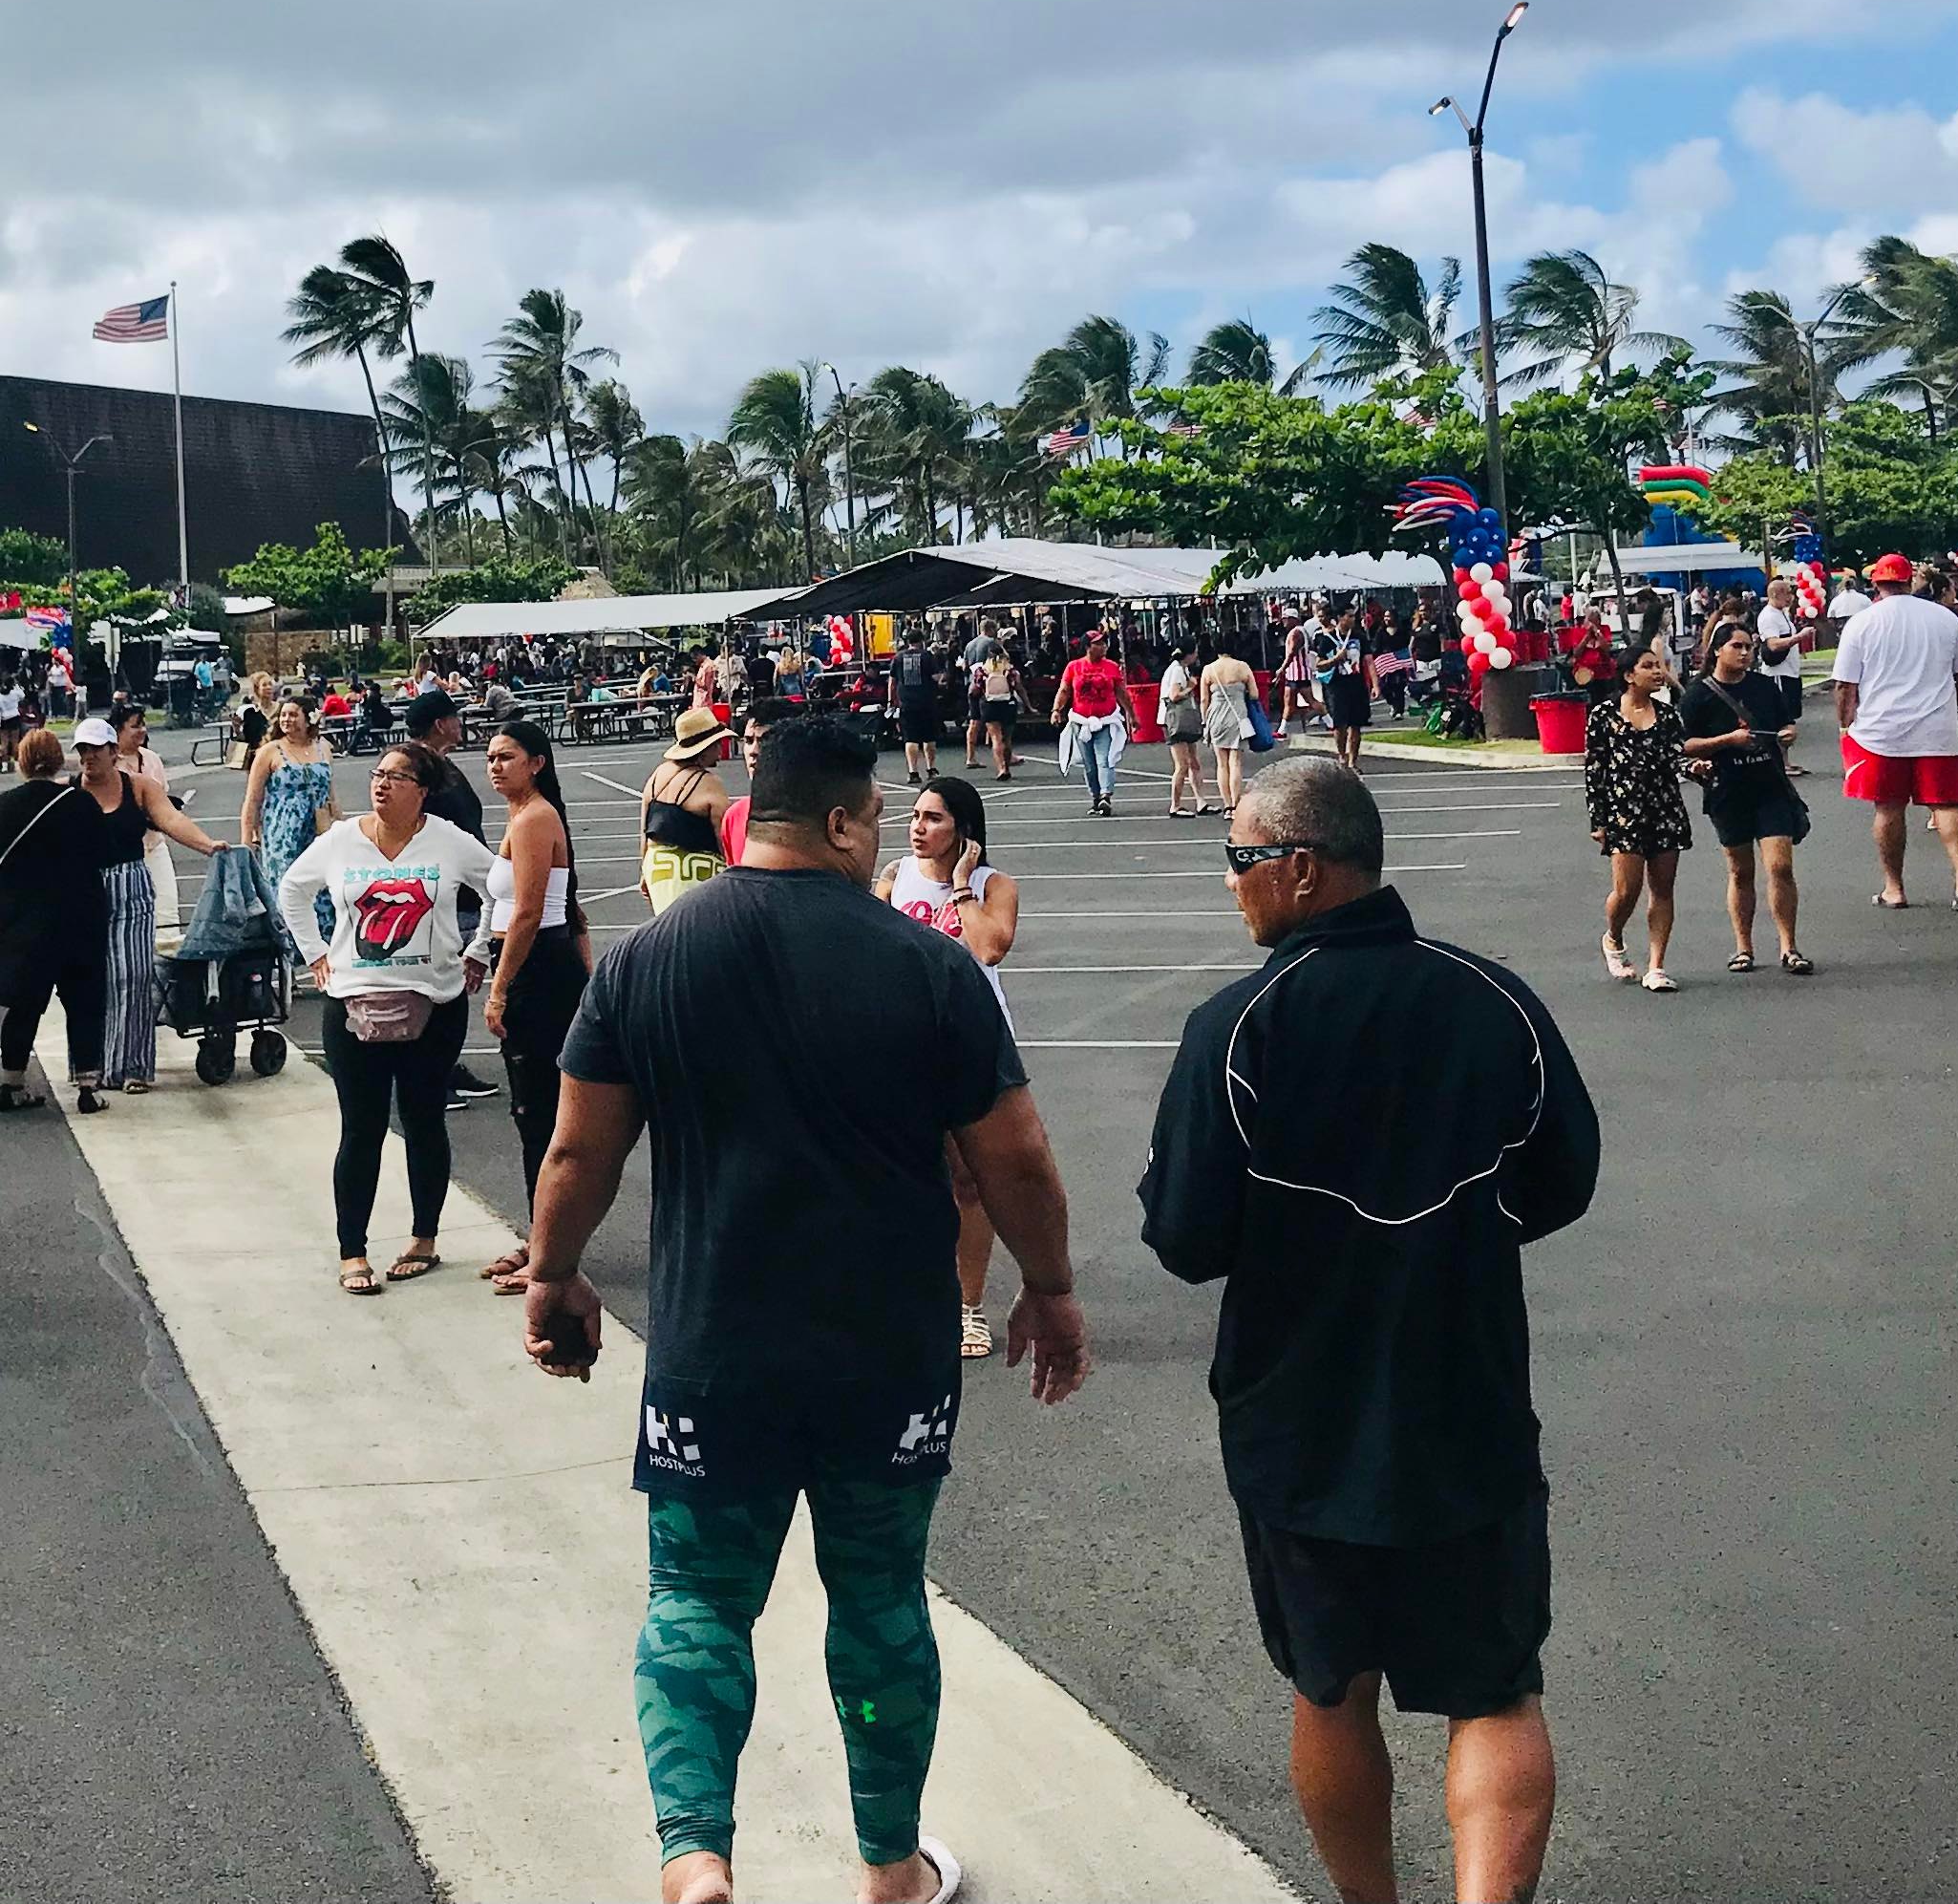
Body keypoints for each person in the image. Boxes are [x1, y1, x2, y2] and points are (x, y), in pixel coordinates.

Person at [520, 715, 1090, 1904]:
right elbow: (1017, 1160)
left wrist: (552, 1276)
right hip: (888, 1353)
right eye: (877, 815)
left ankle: (696, 1856)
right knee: (879, 1599)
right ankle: (889, 1865)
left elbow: (578, 1151)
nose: (882, 833)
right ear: (839, 821)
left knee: (695, 1602)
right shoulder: (928, 965)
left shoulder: (647, 958)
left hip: (712, 1351)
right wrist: (1050, 1288)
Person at [1141, 759, 1599, 1904]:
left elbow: (1187, 1236)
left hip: (1298, 1419)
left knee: (1328, 1683)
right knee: (1495, 1690)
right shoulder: (1492, 998)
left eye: (1240, 862)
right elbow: (1565, 1178)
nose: (1233, 886)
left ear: (1301, 869)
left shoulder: (1236, 1027)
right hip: (1467, 1394)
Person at [279, 743, 496, 1295]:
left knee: (424, 1121)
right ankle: (353, 1250)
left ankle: (424, 1239)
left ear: (422, 791)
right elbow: (292, 889)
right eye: (378, 774)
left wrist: (478, 949)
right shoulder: (342, 840)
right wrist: (314, 953)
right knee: (362, 1129)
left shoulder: (447, 840)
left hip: (436, 1005)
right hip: (354, 1006)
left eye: (398, 777)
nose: (382, 785)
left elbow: (503, 885)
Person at [877, 774, 1021, 1362]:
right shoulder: (892, 879)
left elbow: (989, 948)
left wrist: (961, 889)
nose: (918, 828)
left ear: (964, 829)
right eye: (914, 816)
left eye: (933, 818)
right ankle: (907, 1298)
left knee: (969, 1182)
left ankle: (968, 1307)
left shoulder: (995, 885)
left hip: (972, 1043)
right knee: (902, 1177)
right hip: (901, 1045)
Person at [478, 719, 593, 1295]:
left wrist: (500, 988)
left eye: (507, 756)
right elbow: (567, 907)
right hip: (541, 966)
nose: (495, 765)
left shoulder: (536, 818)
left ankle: (549, 1253)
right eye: (490, 757)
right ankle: (539, 1238)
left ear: (537, 762)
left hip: (537, 972)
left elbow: (528, 913)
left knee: (539, 1115)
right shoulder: (523, 816)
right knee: (533, 1115)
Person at [1831, 550, 1958, 913]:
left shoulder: (1862, 623)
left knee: (1888, 809)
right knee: (1948, 805)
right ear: (1910, 582)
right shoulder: (1945, 619)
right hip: (1938, 728)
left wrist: (1845, 723)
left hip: (1881, 732)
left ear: (1877, 584)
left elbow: (1844, 685)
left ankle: (1894, 888)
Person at [1676, 627, 1817, 976]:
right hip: (1727, 791)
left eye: (1748, 647)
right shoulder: (1698, 694)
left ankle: (1789, 947)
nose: (1744, 653)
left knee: (1780, 867)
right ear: (1717, 651)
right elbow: (1684, 743)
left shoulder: (1764, 686)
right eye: (1736, 646)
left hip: (1770, 787)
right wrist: (1727, 740)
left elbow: (1787, 724)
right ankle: (1744, 947)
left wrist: (1788, 734)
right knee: (1741, 872)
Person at [0, 730, 109, 1115]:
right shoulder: (80, 804)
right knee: (84, 1004)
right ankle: (88, 1087)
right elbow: (102, 854)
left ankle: (12, 1082)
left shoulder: (5, 806)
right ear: (60, 760)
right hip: (80, 920)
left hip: (23, 926)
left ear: (21, 762)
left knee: (25, 1005)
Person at [405, 690, 502, 1108]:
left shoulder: (443, 765)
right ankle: (428, 1075)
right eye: (455, 717)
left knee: (452, 983)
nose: (461, 723)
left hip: (467, 891)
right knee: (435, 984)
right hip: (442, 893)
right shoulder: (417, 770)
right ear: (440, 723)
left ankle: (445, 1064)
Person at [1583, 646, 1692, 993]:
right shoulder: (1603, 716)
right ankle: (1613, 937)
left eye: (1659, 666)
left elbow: (1678, 758)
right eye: (1648, 667)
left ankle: (1656, 966)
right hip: (1624, 812)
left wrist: (1698, 769)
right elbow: (1595, 770)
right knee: (1626, 891)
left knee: (1663, 889)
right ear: (1629, 675)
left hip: (1665, 810)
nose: (1658, 672)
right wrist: (1597, 821)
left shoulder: (1669, 716)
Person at [240, 696, 337, 967]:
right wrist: (248, 837)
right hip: (283, 833)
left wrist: (339, 824)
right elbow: (252, 799)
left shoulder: (323, 748)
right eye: (284, 715)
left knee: (325, 891)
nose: (286, 720)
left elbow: (331, 793)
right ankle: (287, 960)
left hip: (318, 830)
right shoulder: (270, 751)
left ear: (309, 719)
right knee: (287, 891)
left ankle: (325, 954)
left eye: (294, 715)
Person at [641, 708, 731, 910]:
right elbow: (724, 840)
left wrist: (644, 870)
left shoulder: (658, 774)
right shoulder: (710, 783)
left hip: (658, 868)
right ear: (703, 749)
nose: (720, 750)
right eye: (717, 744)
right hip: (696, 877)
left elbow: (645, 830)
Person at [108, 701, 182, 934]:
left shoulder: (151, 759)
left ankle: (168, 962)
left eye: (143, 725)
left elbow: (163, 799)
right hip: (121, 851)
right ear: (118, 729)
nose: (142, 730)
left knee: (167, 908)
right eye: (135, 726)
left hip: (154, 845)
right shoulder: (108, 765)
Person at [1052, 627, 1134, 818]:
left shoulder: (1111, 667)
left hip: (1105, 721)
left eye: (1103, 643)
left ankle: (1106, 795)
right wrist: (1057, 710)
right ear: (1088, 647)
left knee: (1104, 759)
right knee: (1089, 764)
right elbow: (1064, 690)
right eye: (1098, 643)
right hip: (1081, 721)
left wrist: (1132, 714)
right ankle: (1095, 797)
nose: (1103, 646)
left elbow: (1121, 692)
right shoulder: (1074, 667)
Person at [717, 701, 785, 868]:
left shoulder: (812, 815)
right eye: (748, 741)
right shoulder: (734, 816)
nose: (753, 750)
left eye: (764, 741)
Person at [1755, 577, 1809, 769]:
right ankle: (1779, 762)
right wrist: (1799, 637)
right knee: (1781, 717)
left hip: (1791, 672)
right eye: (1787, 593)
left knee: (1790, 716)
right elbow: (1773, 644)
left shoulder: (1782, 614)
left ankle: (1785, 761)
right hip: (1778, 673)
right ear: (1776, 594)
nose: (1791, 597)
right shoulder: (1768, 616)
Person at [1200, 642, 1260, 817]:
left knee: (1221, 764)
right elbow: (1255, 694)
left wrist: (1205, 722)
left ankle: (1227, 805)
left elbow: (1204, 700)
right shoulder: (1242, 667)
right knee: (1235, 762)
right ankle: (1235, 803)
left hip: (1216, 717)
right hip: (1238, 716)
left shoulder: (1209, 669)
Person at [1160, 644, 1214, 817]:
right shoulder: (1176, 670)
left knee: (1194, 762)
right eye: (1195, 652)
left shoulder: (1182, 669)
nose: (1197, 655)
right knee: (1182, 764)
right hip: (1174, 720)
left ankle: (1201, 801)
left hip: (1183, 719)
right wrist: (1191, 687)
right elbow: (1174, 695)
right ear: (1188, 654)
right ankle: (1175, 805)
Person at [1321, 607, 1372, 770]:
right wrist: (1334, 659)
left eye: (1353, 616)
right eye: (1349, 616)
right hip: (1336, 685)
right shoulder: (1327, 639)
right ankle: (1342, 756)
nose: (1352, 619)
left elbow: (1369, 661)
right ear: (1340, 618)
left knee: (1356, 724)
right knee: (1340, 724)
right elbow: (1318, 665)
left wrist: (1375, 684)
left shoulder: (1360, 637)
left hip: (1356, 683)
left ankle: (1353, 762)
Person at [893, 629, 943, 785]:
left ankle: (913, 772)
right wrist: (942, 678)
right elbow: (936, 677)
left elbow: (892, 681)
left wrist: (891, 700)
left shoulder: (898, 657)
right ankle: (931, 769)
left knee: (910, 738)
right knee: (929, 737)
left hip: (907, 702)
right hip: (926, 701)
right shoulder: (927, 656)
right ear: (921, 640)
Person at [975, 638, 1022, 782]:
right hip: (1007, 703)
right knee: (1007, 737)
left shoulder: (982, 670)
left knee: (996, 738)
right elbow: (1017, 685)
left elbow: (976, 689)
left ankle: (1000, 768)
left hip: (990, 704)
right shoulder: (1009, 669)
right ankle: (1007, 766)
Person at [960, 620, 1005, 769]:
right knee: (995, 725)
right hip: (988, 686)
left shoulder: (970, 644)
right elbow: (1000, 661)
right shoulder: (991, 643)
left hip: (973, 685)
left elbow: (965, 667)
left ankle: (970, 757)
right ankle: (1005, 759)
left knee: (974, 722)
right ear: (990, 629)